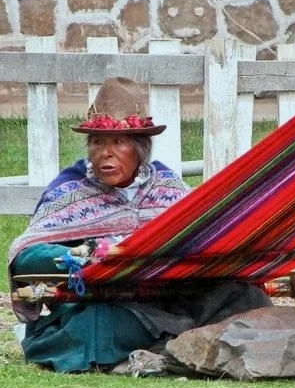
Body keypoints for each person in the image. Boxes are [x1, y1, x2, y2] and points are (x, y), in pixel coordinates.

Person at [8, 77, 273, 373]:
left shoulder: (168, 188)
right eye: (97, 142)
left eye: (118, 142)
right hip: (113, 306)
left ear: (141, 149)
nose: (105, 153)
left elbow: (216, 236)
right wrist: (81, 255)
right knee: (96, 326)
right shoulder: (70, 190)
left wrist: (277, 265)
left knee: (248, 298)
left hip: (175, 299)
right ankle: (179, 349)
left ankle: (167, 350)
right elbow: (27, 255)